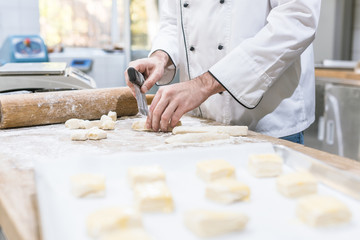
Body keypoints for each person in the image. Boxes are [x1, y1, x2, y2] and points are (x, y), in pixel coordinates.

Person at [125, 0, 321, 144]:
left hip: (269, 122)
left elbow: (296, 20)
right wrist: (160, 57)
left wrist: (203, 85)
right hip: (201, 123)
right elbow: (173, 22)